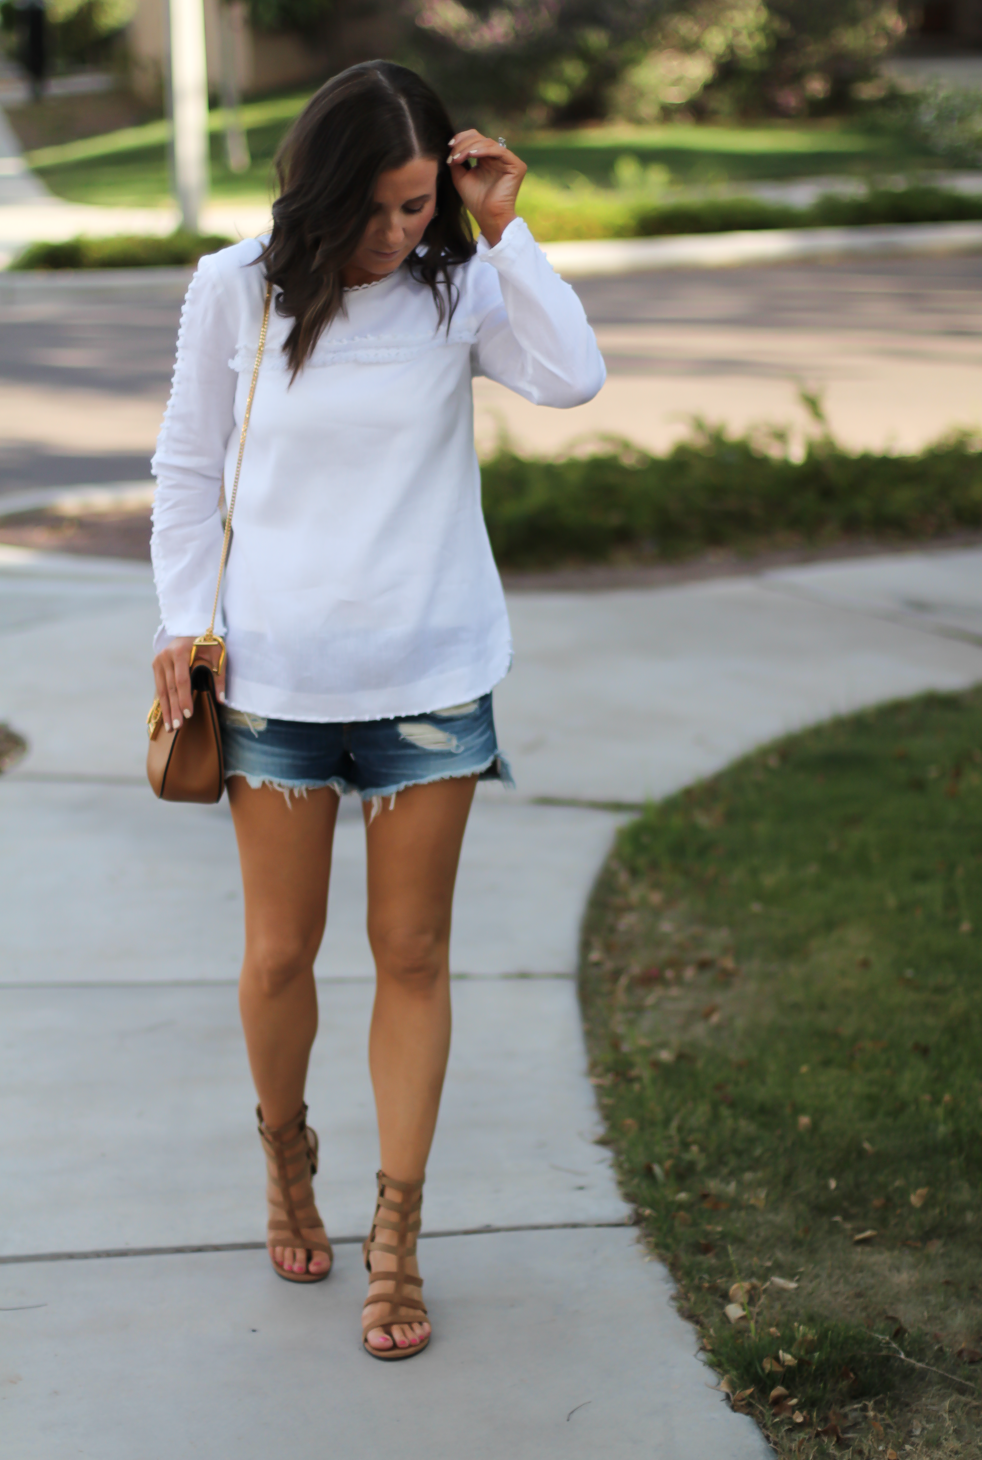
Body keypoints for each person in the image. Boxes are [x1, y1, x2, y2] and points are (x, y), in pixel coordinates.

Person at [150, 59, 605, 1361]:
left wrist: (504, 228)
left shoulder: (460, 289)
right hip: (275, 685)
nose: (402, 232)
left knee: (410, 956)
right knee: (281, 957)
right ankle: (286, 1159)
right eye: (383, 208)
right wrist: (185, 624)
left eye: (420, 207)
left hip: (428, 678)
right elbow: (185, 466)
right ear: (325, 190)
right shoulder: (235, 288)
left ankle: (396, 1235)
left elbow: (570, 378)